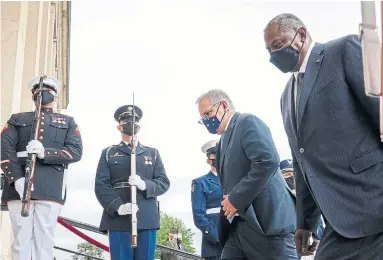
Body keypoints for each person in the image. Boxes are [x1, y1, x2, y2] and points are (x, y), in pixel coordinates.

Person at [264, 13, 383, 259]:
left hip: (374, 204)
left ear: (302, 35)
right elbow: (302, 163)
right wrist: (304, 223)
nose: (274, 55)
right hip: (339, 221)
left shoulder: (341, 51)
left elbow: (380, 114)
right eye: (269, 50)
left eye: (277, 45)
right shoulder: (286, 98)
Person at [195, 89, 297, 260]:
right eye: (202, 118)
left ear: (223, 106)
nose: (206, 121)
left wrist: (235, 198)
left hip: (266, 225)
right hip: (238, 227)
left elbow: (267, 161)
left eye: (208, 114)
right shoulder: (222, 144)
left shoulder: (247, 122)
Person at [1, 76, 83, 260]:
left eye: (47, 92)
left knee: (43, 242)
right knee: (20, 241)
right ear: (33, 97)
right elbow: (5, 149)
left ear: (55, 98)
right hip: (18, 187)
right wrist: (16, 178)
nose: (42, 96)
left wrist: (46, 152)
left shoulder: (68, 122)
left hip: (50, 187)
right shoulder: (17, 119)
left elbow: (75, 151)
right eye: (38, 92)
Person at [95, 104, 170, 260]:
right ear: (119, 127)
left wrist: (145, 185)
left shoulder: (152, 153)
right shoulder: (109, 153)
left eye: (134, 121)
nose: (131, 124)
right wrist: (118, 206)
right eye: (126, 121)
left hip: (146, 216)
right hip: (119, 218)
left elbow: (163, 182)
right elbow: (101, 184)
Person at [279, 159, 325, 260]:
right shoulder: (281, 203)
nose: (290, 178)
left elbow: (319, 230)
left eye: (292, 174)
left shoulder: (310, 202)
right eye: (285, 174)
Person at [191, 139, 223, 260]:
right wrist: (218, 237)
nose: (217, 158)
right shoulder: (200, 182)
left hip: (237, 241)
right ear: (208, 159)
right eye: (214, 154)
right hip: (214, 244)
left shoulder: (234, 179)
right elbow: (199, 216)